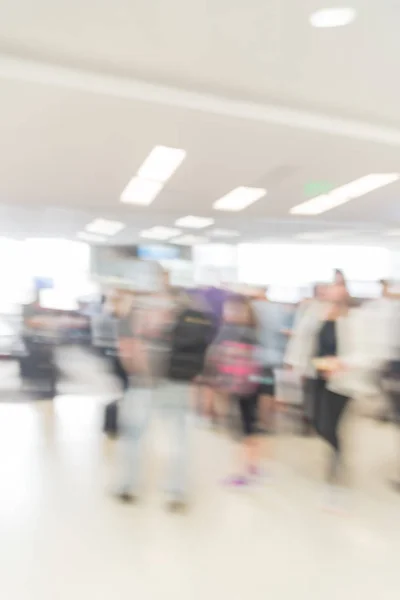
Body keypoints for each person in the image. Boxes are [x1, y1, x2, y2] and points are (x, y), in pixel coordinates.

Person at [207, 295, 261, 486]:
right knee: (250, 427)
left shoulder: (227, 331)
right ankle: (252, 466)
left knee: (238, 431)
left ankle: (240, 474)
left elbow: (214, 355)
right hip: (252, 386)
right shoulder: (253, 331)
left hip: (234, 386)